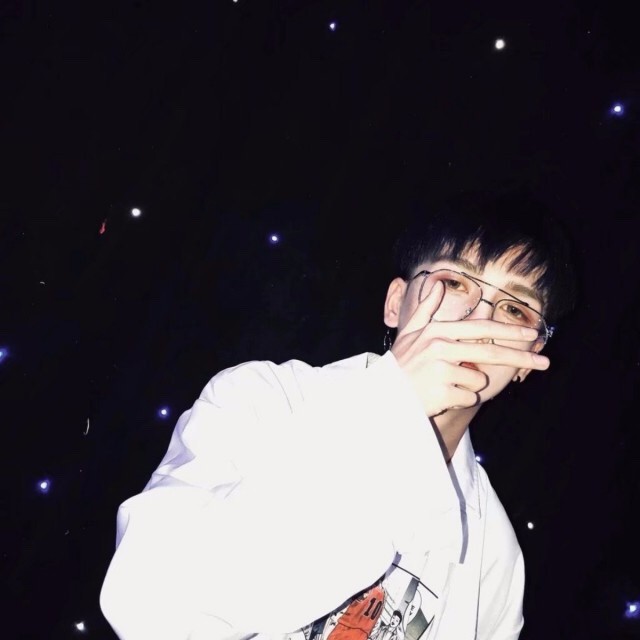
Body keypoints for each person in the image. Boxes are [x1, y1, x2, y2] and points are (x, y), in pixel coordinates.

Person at [100, 189, 577, 640]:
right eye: (454, 283)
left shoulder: (493, 553)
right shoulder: (264, 399)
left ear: (530, 356)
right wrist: (393, 408)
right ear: (396, 303)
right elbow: (150, 605)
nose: (480, 319)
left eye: (515, 309)